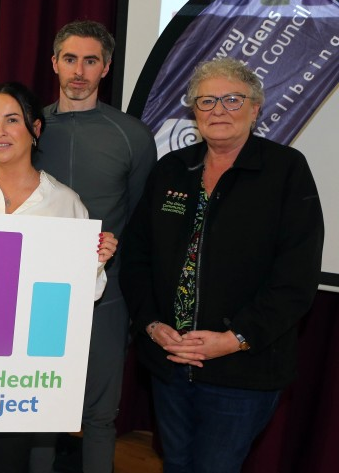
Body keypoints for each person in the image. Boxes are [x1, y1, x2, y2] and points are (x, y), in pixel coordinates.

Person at [119, 58, 324, 473]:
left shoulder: (286, 171)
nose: (218, 110)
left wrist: (234, 338)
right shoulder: (172, 169)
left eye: (232, 99)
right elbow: (137, 257)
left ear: (256, 107)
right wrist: (152, 325)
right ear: (193, 112)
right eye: (206, 101)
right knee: (176, 463)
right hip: (170, 362)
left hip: (242, 368)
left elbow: (296, 277)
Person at [0, 81, 117, 473]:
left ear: (35, 129)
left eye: (12, 120)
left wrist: (96, 260)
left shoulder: (66, 204)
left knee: (8, 465)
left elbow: (85, 294)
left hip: (20, 373)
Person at [33, 20, 157, 473]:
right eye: (70, 59)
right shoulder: (28, 128)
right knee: (40, 408)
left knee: (100, 415)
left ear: (105, 68)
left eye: (90, 61)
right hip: (38, 293)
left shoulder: (133, 136)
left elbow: (143, 223)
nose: (79, 71)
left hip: (107, 297)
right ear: (54, 63)